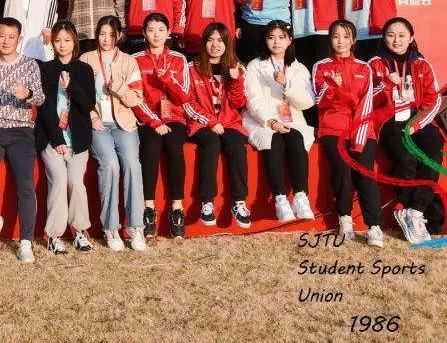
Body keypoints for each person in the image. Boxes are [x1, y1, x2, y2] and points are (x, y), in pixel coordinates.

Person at [0, 17, 46, 263]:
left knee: (25, 184)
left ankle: (25, 242)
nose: (6, 41)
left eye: (11, 37)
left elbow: (40, 98)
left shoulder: (30, 65)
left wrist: (28, 94)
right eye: (1, 36)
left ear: (19, 39)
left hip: (21, 131)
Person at [369, 17, 443, 244]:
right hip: (389, 121)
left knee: (433, 152)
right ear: (384, 38)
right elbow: (367, 98)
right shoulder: (374, 64)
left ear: (411, 38)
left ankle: (414, 213)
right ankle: (422, 210)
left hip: (417, 120)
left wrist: (417, 124)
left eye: (402, 36)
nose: (396, 40)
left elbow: (433, 101)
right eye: (391, 35)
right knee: (406, 159)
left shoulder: (422, 64)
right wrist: (387, 84)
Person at [312, 20, 384, 247]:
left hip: (362, 127)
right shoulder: (321, 66)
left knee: (365, 172)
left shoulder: (364, 68)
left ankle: (374, 226)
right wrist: (333, 86)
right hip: (333, 127)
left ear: (353, 40)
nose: (340, 41)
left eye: (345, 36)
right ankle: (344, 218)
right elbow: (319, 102)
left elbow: (367, 102)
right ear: (330, 40)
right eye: (336, 36)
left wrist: (359, 136)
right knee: (342, 168)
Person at [81, 15, 145, 251]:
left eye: (111, 35)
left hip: (124, 124)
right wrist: (91, 115)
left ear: (119, 36)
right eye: (102, 34)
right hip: (98, 125)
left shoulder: (129, 61)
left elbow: (137, 98)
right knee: (109, 164)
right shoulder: (86, 59)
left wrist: (120, 89)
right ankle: (110, 227)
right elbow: (77, 95)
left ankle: (136, 226)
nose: (106, 39)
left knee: (132, 164)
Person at [243, 20, 316, 222]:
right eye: (271, 37)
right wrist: (271, 122)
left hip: (292, 119)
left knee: (295, 137)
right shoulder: (255, 66)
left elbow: (308, 102)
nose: (276, 42)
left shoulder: (298, 68)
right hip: (261, 121)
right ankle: (280, 200)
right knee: (274, 139)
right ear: (265, 40)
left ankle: (301, 197)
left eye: (281, 37)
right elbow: (253, 99)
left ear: (290, 40)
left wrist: (287, 85)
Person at [182, 23, 251, 228]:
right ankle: (207, 202)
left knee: (236, 145)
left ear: (227, 43)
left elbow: (239, 103)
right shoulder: (191, 67)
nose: (215, 45)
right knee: (211, 142)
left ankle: (239, 202)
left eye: (220, 40)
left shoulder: (237, 67)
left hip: (229, 121)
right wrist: (210, 122)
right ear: (204, 43)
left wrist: (236, 80)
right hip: (201, 122)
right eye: (210, 40)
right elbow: (188, 102)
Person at [37, 21, 95, 255]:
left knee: (75, 181)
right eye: (58, 40)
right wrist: (57, 139)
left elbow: (88, 104)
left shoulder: (84, 70)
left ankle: (80, 231)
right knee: (59, 179)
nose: (62, 45)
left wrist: (72, 87)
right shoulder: (45, 69)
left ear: (75, 43)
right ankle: (54, 235)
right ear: (52, 43)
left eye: (67, 40)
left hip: (77, 140)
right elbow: (44, 107)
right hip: (52, 139)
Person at [131, 13, 190, 240]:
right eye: (151, 30)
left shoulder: (179, 59)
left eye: (161, 30)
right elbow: (135, 98)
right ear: (144, 33)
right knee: (151, 148)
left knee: (175, 147)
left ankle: (177, 208)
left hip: (174, 117)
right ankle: (149, 209)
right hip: (147, 119)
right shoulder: (135, 59)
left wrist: (168, 80)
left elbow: (185, 97)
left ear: (168, 33)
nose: (156, 35)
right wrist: (154, 122)